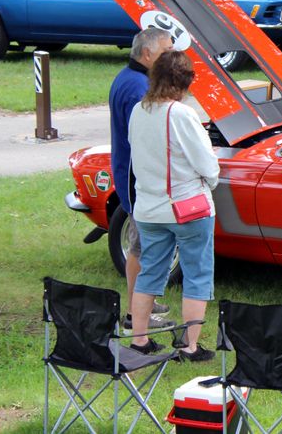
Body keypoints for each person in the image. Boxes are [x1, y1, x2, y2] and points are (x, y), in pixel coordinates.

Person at [128, 51, 219, 362]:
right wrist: (212, 179)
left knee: (149, 272)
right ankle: (190, 346)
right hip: (187, 207)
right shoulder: (182, 115)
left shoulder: (139, 111)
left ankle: (139, 339)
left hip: (148, 208)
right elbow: (207, 164)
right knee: (197, 273)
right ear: (186, 82)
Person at [109, 28, 176, 331]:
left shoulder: (131, 78)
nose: (172, 59)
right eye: (166, 52)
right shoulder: (137, 88)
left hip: (133, 176)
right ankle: (136, 313)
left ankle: (141, 303)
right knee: (140, 247)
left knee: (145, 245)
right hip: (136, 180)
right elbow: (143, 138)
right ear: (147, 54)